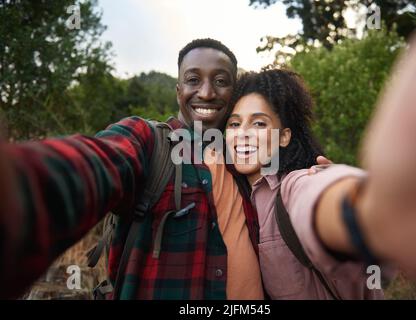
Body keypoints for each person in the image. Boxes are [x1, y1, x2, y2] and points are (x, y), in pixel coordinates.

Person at [0, 38, 329, 300]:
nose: (206, 92)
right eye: (193, 80)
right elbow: (94, 163)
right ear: (178, 91)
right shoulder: (149, 142)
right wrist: (21, 187)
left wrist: (318, 180)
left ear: (233, 94)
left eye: (221, 81)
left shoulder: (244, 162)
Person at [218, 69, 386, 299]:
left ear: (284, 137)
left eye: (258, 123)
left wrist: (357, 203)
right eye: (234, 124)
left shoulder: (294, 184)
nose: (242, 134)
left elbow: (318, 196)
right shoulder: (233, 196)